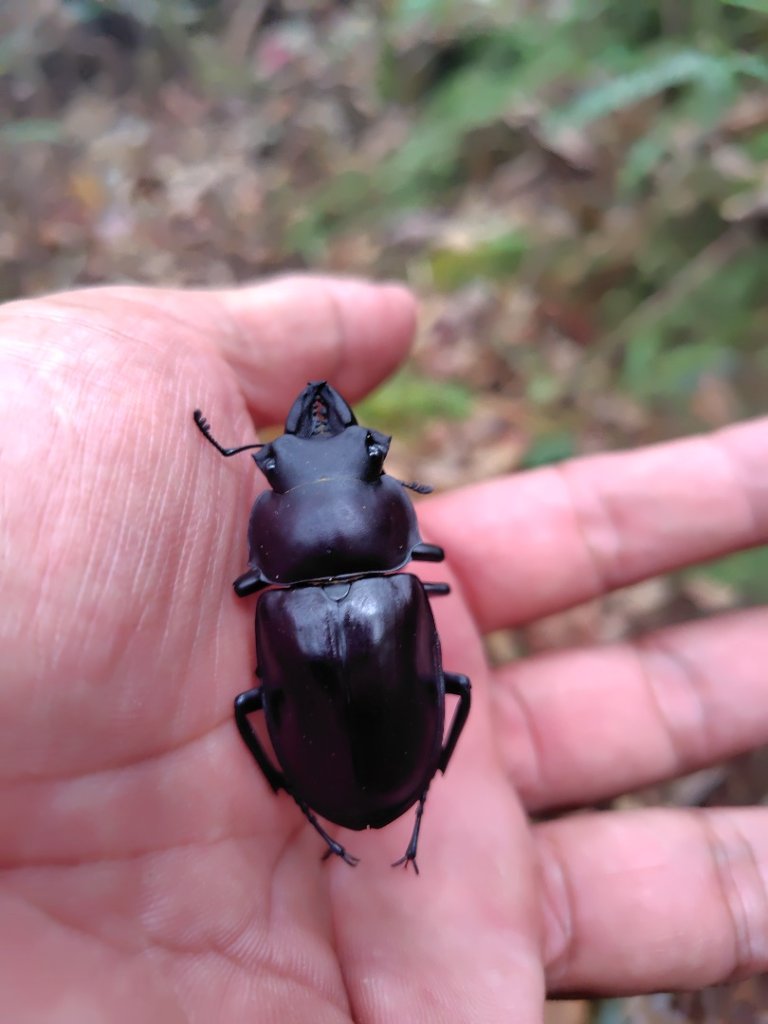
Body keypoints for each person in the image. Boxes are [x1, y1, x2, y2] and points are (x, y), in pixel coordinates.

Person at [1, 276, 765, 1022]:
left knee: (250, 705)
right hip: (382, 727)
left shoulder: (271, 594)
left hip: (327, 735)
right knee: (454, 686)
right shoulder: (396, 583)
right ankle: (403, 784)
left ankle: (326, 786)